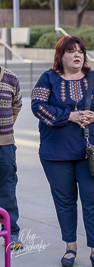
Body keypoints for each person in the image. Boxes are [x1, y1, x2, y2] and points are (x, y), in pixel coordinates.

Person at [31, 35, 94, 267]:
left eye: (81, 51)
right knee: (65, 202)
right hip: (55, 153)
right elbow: (37, 106)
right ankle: (70, 248)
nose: (77, 54)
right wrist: (68, 115)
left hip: (90, 154)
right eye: (71, 51)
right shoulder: (48, 78)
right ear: (61, 55)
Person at [0, 66, 23, 250]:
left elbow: (16, 108)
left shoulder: (11, 78)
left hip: (5, 145)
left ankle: (11, 233)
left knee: (7, 188)